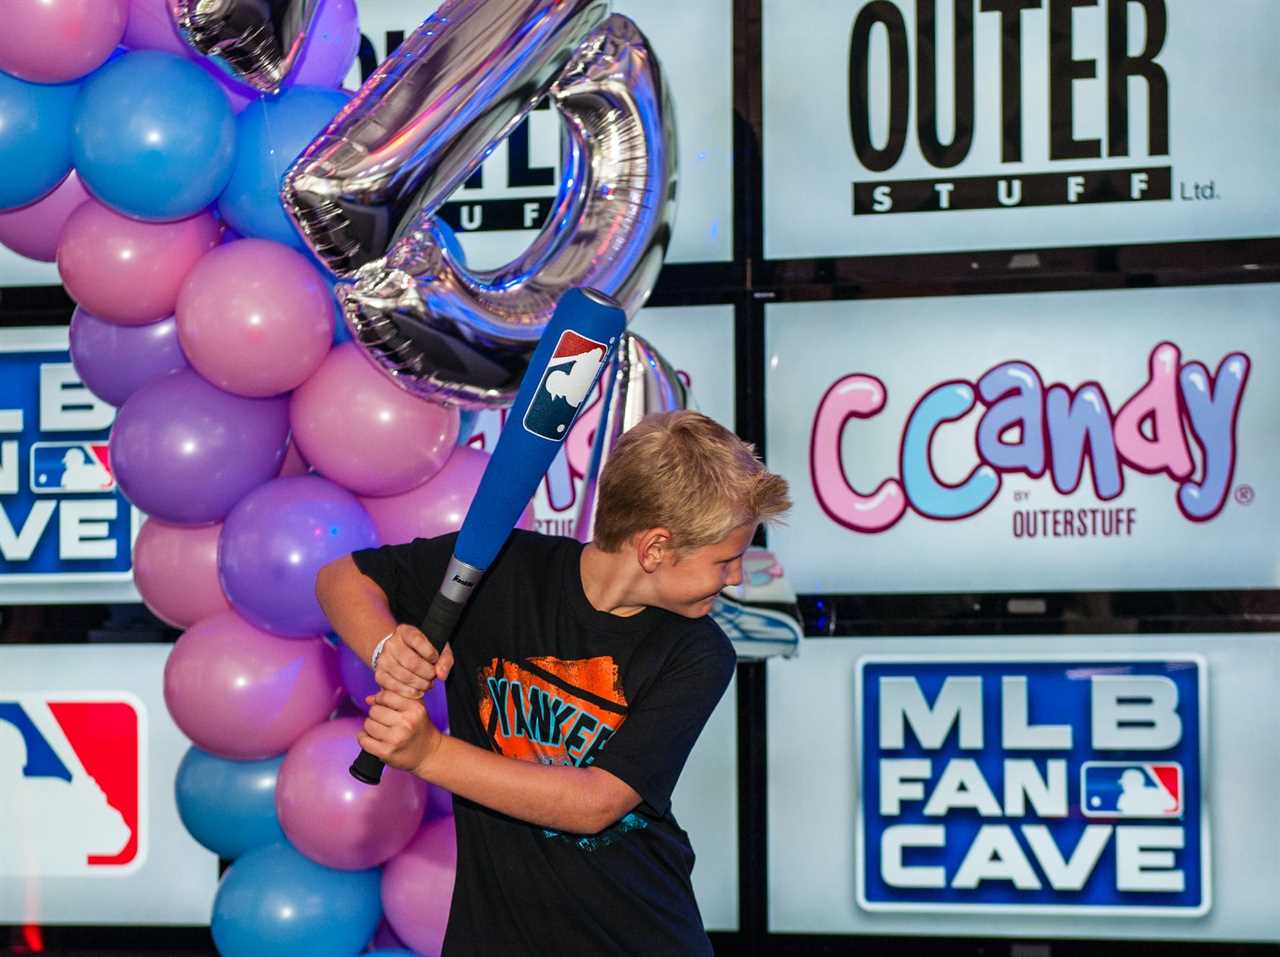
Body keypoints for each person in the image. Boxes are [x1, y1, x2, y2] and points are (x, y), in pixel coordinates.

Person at [316, 410, 791, 956]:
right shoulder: (503, 568)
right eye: (726, 560)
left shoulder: (698, 652)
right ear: (654, 548)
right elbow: (342, 578)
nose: (736, 578)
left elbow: (594, 803)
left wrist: (428, 756)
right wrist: (387, 649)